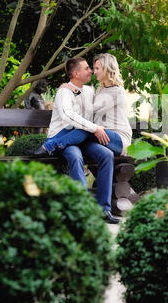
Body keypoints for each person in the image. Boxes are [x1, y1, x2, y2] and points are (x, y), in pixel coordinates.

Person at [28, 55, 132, 223]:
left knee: (102, 150)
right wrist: (67, 89)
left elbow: (88, 109)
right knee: (87, 151)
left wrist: (72, 90)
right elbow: (71, 115)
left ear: (107, 69)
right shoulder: (75, 91)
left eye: (95, 68)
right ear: (76, 73)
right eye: (88, 68)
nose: (91, 70)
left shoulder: (108, 91)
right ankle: (82, 209)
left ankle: (104, 210)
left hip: (109, 136)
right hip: (80, 135)